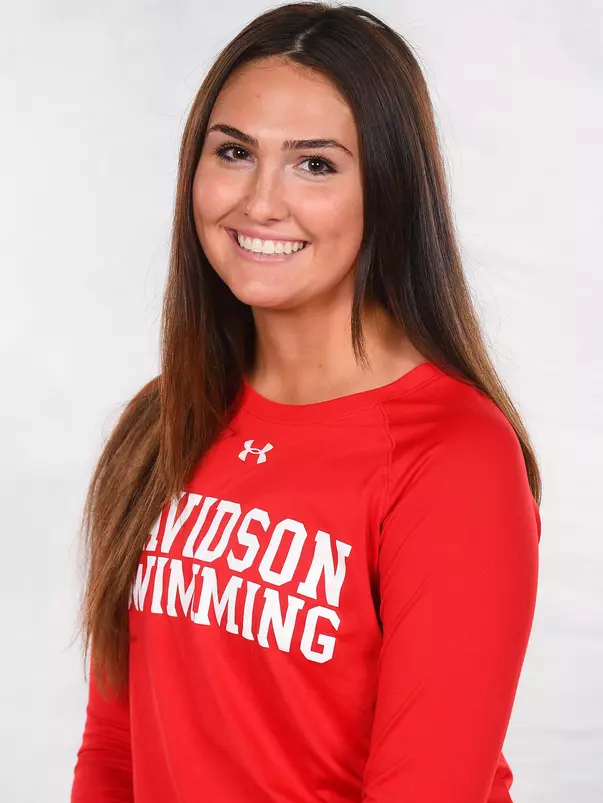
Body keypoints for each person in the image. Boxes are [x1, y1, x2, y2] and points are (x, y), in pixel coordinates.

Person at [70, 3, 542, 802]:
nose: (259, 202)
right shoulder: (162, 421)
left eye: (314, 164)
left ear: (386, 190)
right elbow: (116, 751)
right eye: (233, 152)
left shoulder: (454, 454)